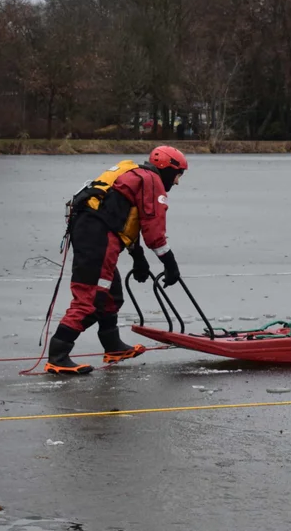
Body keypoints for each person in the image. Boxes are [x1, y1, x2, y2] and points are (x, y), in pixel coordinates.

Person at [46, 146, 187, 375]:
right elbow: (154, 231)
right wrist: (170, 265)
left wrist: (138, 258)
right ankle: (58, 355)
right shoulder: (151, 181)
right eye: (178, 175)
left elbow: (119, 218)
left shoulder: (132, 173)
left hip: (93, 235)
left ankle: (113, 347)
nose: (178, 182)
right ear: (168, 169)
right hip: (98, 239)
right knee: (92, 299)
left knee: (112, 295)